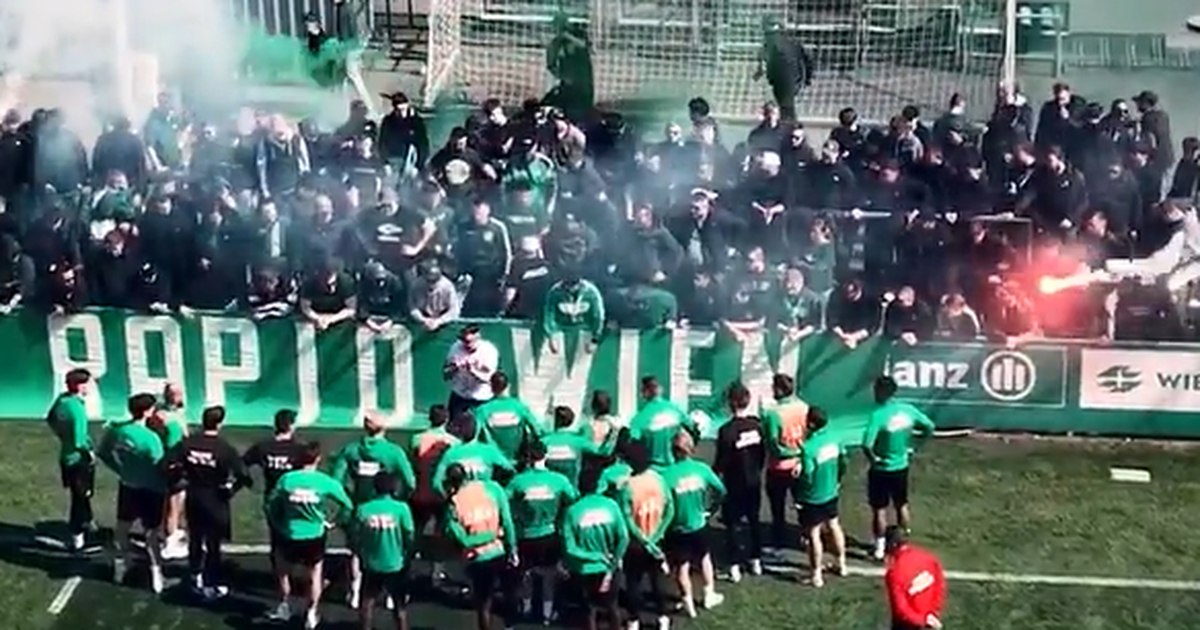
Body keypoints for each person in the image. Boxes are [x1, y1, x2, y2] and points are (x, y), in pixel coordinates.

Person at [330, 411, 418, 609]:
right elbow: (410, 482)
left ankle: (355, 591)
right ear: (384, 428)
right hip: (389, 507)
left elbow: (336, 481)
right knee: (392, 549)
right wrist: (399, 499)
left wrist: (348, 500)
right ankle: (389, 595)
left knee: (356, 550)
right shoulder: (394, 452)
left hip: (358, 506)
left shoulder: (351, 450)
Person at [164, 405, 251, 600]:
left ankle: (195, 575)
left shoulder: (187, 443)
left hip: (194, 496)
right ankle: (212, 581)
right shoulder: (224, 448)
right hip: (216, 499)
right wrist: (231, 490)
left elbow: (166, 463)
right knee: (213, 543)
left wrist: (178, 479)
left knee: (195, 538)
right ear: (220, 424)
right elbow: (244, 476)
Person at [265, 441, 354, 629]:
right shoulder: (324, 481)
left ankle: (285, 605)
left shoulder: (287, 480)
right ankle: (311, 613)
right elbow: (347, 504)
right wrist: (336, 521)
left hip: (289, 532)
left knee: (283, 571)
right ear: (318, 459)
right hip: (314, 534)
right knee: (315, 574)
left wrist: (278, 522)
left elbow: (270, 504)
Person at [97, 393, 168, 593]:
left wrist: (121, 470)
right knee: (152, 533)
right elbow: (160, 465)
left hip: (128, 486)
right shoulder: (151, 438)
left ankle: (120, 569)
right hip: (152, 489)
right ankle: (157, 575)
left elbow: (103, 453)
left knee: (122, 529)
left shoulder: (117, 431)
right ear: (148, 411)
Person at [862, 375, 936, 560]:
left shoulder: (878, 415)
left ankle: (879, 548)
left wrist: (873, 460)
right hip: (901, 466)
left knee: (879, 509)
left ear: (880, 392)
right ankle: (904, 541)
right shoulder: (907, 410)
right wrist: (915, 447)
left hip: (881, 470)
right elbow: (929, 426)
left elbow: (866, 444)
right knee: (901, 505)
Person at [506, 438, 578, 624]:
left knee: (527, 574)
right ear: (545, 456)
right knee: (548, 576)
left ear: (528, 458)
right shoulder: (559, 480)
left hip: (525, 535)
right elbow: (573, 499)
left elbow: (506, 504)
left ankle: (527, 608)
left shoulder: (518, 481)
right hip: (550, 534)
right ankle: (547, 613)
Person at [441, 462, 519, 630]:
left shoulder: (454, 503)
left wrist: (485, 538)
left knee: (484, 604)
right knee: (507, 594)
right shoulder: (490, 489)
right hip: (499, 550)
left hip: (477, 558)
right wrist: (509, 545)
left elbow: (464, 541)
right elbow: (507, 521)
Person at [661, 431, 726, 617]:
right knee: (704, 558)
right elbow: (721, 490)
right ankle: (709, 594)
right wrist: (711, 509)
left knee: (682, 567)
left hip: (677, 528)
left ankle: (687, 602)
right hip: (699, 524)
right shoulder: (702, 469)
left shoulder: (666, 476)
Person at [614, 441, 674, 630]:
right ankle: (663, 617)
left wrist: (644, 540)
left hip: (636, 543)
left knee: (633, 582)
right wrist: (658, 535)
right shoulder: (659, 480)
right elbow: (670, 510)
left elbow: (627, 518)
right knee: (657, 580)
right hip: (657, 539)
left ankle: (634, 620)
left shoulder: (627, 486)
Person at [714, 382, 766, 582]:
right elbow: (762, 455)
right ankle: (756, 561)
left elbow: (721, 461)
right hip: (753, 482)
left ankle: (734, 565)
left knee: (733, 525)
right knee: (753, 521)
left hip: (733, 484)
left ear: (730, 402)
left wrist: (715, 477)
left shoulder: (726, 431)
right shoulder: (756, 426)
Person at [351, 474, 417, 630]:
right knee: (399, 605)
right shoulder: (402, 509)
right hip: (396, 563)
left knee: (367, 600)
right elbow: (409, 534)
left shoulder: (363, 509)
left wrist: (361, 554)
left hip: (371, 563)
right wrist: (409, 555)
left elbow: (355, 535)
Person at [561, 483, 629, 630]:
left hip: (585, 569)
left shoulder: (572, 511)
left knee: (589, 610)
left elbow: (570, 548)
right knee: (612, 606)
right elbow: (624, 538)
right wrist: (613, 562)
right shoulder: (611, 505)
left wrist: (595, 556)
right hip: (610, 566)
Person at [793, 407, 847, 588]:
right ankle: (842, 564)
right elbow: (843, 461)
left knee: (813, 534)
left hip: (813, 498)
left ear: (811, 423)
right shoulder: (835, 439)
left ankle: (816, 575)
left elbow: (807, 476)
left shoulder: (809, 448)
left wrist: (797, 473)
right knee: (834, 525)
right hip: (831, 492)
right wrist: (837, 480)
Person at [409, 404, 459, 586]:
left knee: (415, 532)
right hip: (441, 495)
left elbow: (413, 463)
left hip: (420, 492)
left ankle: (409, 566)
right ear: (446, 420)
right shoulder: (454, 443)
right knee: (440, 533)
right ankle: (437, 572)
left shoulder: (416, 439)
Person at [47, 368, 96, 552]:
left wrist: (62, 435)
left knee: (82, 494)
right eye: (87, 383)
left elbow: (51, 418)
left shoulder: (62, 400)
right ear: (79, 385)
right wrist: (89, 453)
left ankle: (88, 523)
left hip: (66, 456)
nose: (89, 387)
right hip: (78, 459)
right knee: (80, 498)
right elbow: (79, 440)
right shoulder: (77, 409)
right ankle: (78, 538)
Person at [761, 374, 808, 555]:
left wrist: (786, 452)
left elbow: (772, 443)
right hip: (800, 463)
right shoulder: (804, 407)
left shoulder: (772, 413)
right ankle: (805, 536)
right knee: (802, 502)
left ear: (779, 389)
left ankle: (779, 539)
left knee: (778, 506)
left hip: (779, 467)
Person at [432, 413, 516, 496]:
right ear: (477, 429)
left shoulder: (450, 453)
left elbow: (436, 483)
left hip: (462, 500)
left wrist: (450, 498)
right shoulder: (488, 450)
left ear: (459, 430)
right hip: (486, 499)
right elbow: (510, 470)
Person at [472, 370, 544, 461]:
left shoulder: (482, 410)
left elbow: (475, 436)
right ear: (508, 386)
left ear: (491, 388)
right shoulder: (519, 407)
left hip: (494, 461)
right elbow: (537, 430)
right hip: (518, 460)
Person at [884, 526, 946, 630]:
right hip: (930, 621)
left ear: (892, 544)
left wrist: (921, 620)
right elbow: (940, 586)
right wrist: (933, 613)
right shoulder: (929, 558)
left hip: (907, 625)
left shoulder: (894, 572)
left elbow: (901, 609)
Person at [627, 376, 697, 467]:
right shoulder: (676, 409)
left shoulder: (638, 418)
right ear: (660, 390)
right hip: (675, 467)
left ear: (645, 392)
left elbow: (633, 443)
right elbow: (693, 429)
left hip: (652, 469)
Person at [156, 382, 190, 560]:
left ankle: (172, 531)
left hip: (178, 460)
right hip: (172, 462)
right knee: (173, 503)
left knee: (179, 499)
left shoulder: (176, 412)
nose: (179, 396)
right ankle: (169, 542)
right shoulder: (164, 416)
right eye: (176, 393)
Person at [443, 323, 499, 419]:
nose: (466, 344)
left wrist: (472, 370)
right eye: (463, 341)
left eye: (469, 341)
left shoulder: (489, 351)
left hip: (481, 397)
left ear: (478, 338)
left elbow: (488, 379)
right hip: (459, 396)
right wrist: (455, 368)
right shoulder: (455, 348)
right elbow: (445, 375)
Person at [541, 405, 597, 490]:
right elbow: (594, 448)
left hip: (550, 464)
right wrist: (586, 427)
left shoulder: (547, 439)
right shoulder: (575, 439)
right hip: (569, 465)